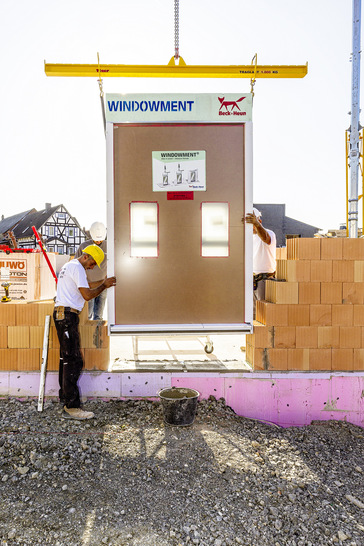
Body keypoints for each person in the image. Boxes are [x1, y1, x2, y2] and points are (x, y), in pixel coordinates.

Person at [53, 244, 116, 420]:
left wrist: (103, 283)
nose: (93, 267)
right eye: (93, 263)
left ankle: (65, 398)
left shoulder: (70, 266)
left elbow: (85, 287)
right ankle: (71, 407)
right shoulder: (78, 267)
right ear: (86, 257)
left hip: (62, 315)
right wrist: (104, 286)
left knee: (66, 359)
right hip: (66, 316)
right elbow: (87, 295)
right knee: (73, 361)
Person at [244, 208, 276, 317]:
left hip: (264, 281)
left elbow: (266, 238)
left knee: (264, 315)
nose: (250, 226)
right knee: (253, 315)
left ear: (259, 222)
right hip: (251, 281)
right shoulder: (248, 238)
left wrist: (257, 225)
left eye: (253, 223)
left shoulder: (269, 233)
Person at [75, 222, 108, 320]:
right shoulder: (84, 246)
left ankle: (97, 334)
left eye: (100, 239)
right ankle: (88, 333)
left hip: (103, 284)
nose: (98, 242)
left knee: (99, 316)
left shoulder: (109, 246)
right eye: (96, 240)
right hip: (89, 285)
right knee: (87, 314)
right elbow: (76, 264)